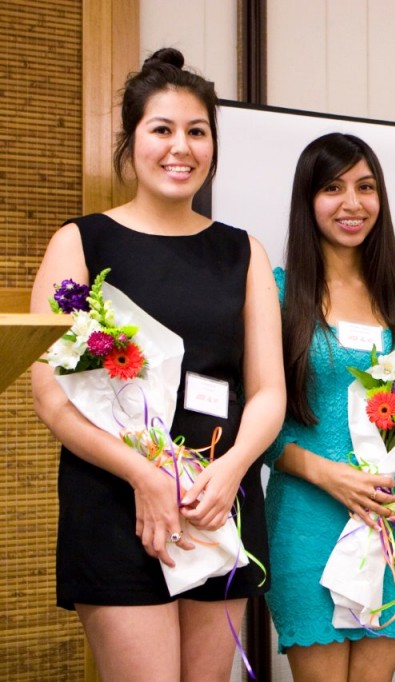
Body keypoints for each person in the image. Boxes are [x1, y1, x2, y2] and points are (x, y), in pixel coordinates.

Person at [29, 48, 286, 682]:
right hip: (115, 504)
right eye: (162, 129)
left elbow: (267, 391)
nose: (181, 147)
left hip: (213, 504)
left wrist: (229, 472)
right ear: (131, 140)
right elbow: (50, 396)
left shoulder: (241, 250)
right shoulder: (82, 242)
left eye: (197, 132)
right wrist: (143, 477)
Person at [263, 132, 395, 682]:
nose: (352, 203)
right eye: (333, 188)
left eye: (366, 187)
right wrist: (330, 477)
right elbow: (261, 422)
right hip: (307, 517)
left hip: (393, 521)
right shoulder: (276, 292)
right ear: (307, 200)